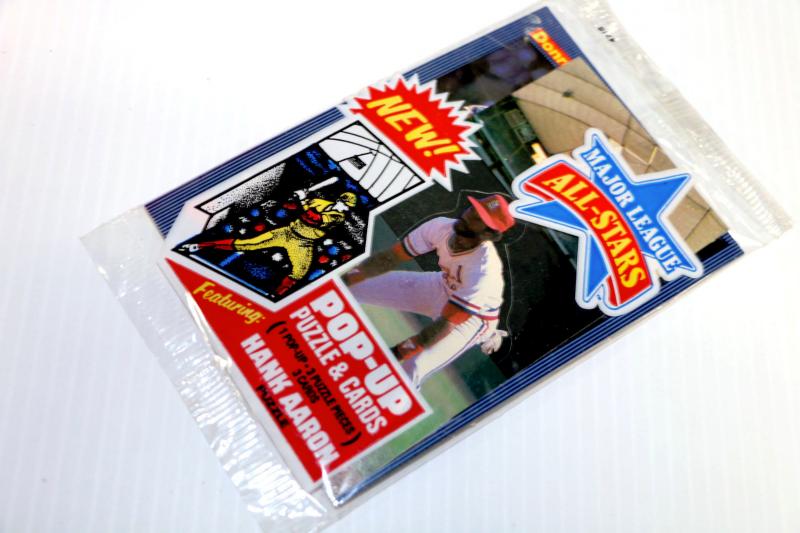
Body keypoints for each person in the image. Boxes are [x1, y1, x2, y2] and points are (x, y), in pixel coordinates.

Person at [343, 194, 514, 388]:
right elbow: (391, 257)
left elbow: (449, 321)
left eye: (479, 218)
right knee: (353, 287)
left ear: (489, 234)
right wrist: (345, 280)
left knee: (414, 367)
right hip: (441, 285)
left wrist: (397, 353)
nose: (470, 215)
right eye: (474, 208)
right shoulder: (440, 226)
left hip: (472, 318)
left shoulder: (483, 269)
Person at [182, 189, 357, 295]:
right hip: (286, 231)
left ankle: (275, 295)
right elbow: (296, 205)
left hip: (303, 243)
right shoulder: (320, 201)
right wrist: (297, 196)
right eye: (344, 203)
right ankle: (198, 246)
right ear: (339, 199)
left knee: (299, 273)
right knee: (245, 243)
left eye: (347, 206)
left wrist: (302, 199)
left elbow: (313, 218)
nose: (345, 207)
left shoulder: (338, 216)